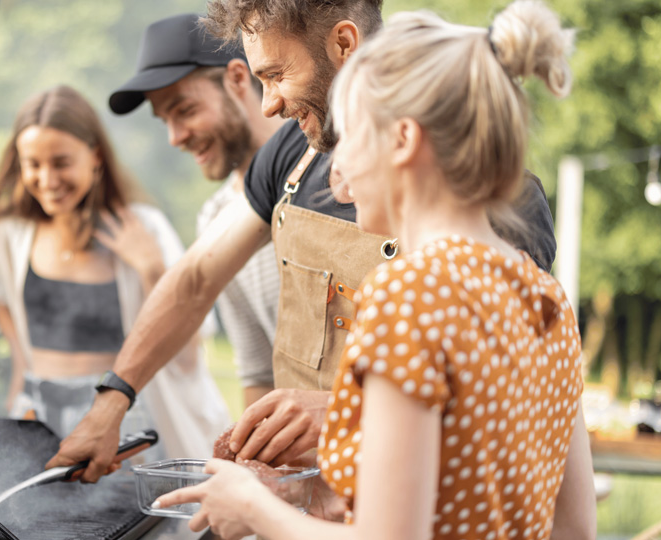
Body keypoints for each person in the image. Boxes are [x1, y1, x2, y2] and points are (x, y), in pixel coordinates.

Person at [46, 0, 557, 482]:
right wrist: (112, 401)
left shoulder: (500, 205)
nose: (268, 105)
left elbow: (500, 408)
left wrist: (340, 412)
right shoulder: (293, 151)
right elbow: (197, 279)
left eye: (275, 75)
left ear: (344, 44)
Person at [155, 3, 596, 539]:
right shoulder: (545, 299)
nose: (336, 172)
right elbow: (574, 530)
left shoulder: (406, 296)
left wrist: (251, 507)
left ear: (403, 140)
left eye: (352, 137)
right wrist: (303, 496)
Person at [0, 85, 229, 460]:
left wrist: (151, 267)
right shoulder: (10, 234)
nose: (48, 179)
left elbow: (189, 352)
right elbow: (5, 305)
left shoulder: (145, 227)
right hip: (37, 415)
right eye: (33, 164)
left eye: (61, 162)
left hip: (120, 417)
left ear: (95, 156)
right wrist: (20, 377)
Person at [109, 13, 285, 408]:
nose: (175, 138)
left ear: (237, 79)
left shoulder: (327, 171)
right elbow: (259, 373)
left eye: (185, 110)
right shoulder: (214, 218)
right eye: (165, 121)